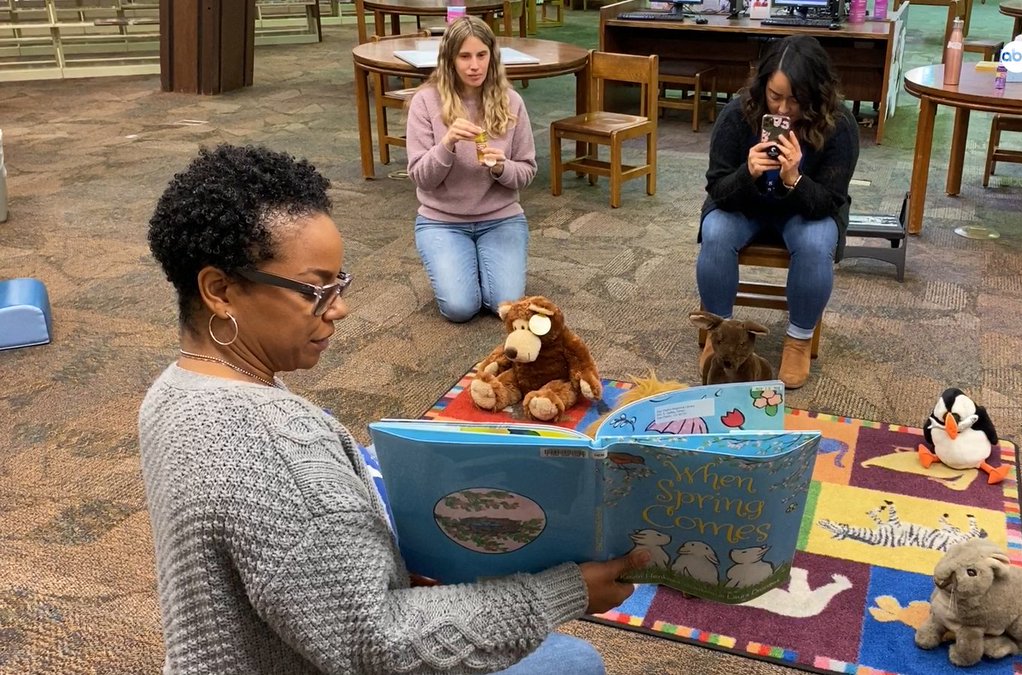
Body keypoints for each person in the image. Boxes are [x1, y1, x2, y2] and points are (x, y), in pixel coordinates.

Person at [141, 144, 645, 674]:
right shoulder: (278, 446)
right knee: (575, 661)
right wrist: (565, 592)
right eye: (315, 289)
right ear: (220, 290)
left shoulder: (172, 391)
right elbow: (378, 644)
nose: (339, 307)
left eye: (339, 284)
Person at [695, 35, 860, 389]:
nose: (783, 109)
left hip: (805, 212)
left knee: (816, 243)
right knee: (716, 232)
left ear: (816, 94)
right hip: (745, 205)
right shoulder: (738, 114)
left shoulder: (839, 125)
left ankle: (798, 340)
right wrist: (748, 172)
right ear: (763, 86)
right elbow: (717, 188)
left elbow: (829, 202)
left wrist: (795, 179)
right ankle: (717, 333)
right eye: (775, 96)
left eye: (796, 99)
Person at [406, 16, 537, 323]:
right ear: (450, 60)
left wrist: (502, 168)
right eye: (464, 56)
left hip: (501, 218)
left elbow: (528, 170)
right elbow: (421, 177)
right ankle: (462, 261)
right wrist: (447, 144)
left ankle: (475, 261)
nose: (474, 66)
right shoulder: (425, 102)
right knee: (460, 308)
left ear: (493, 56)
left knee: (505, 305)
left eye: (481, 55)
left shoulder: (511, 101)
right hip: (442, 222)